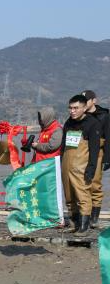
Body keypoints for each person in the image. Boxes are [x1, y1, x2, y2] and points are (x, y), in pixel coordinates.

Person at [59, 94, 101, 235]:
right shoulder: (68, 123)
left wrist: (91, 169)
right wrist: (61, 162)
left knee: (83, 196)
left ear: (84, 108)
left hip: (81, 166)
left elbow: (95, 150)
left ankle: (84, 226)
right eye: (70, 108)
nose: (72, 111)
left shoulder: (92, 123)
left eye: (76, 108)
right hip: (67, 164)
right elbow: (63, 145)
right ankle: (74, 223)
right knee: (69, 196)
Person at [82, 89, 110, 226]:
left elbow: (108, 138)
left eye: (86, 100)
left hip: (98, 153)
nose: (83, 103)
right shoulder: (80, 116)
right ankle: (84, 214)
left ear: (94, 101)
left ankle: (94, 218)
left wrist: (107, 159)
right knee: (82, 183)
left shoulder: (104, 116)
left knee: (95, 184)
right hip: (82, 153)